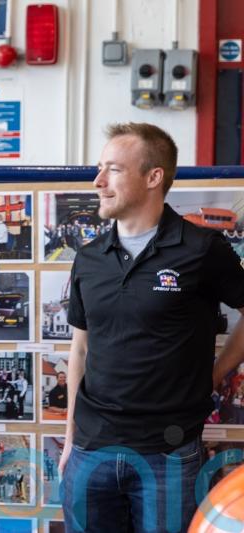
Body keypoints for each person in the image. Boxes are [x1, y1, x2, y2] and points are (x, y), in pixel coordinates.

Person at [60, 122, 244, 533]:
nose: (98, 181)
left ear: (153, 177)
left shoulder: (201, 249)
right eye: (100, 169)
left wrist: (214, 374)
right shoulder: (89, 257)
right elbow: (80, 349)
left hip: (168, 453)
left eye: (113, 169)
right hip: (91, 451)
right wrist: (70, 437)